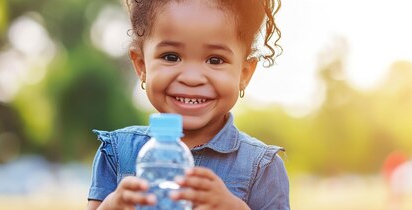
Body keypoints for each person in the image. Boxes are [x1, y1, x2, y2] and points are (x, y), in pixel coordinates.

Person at [87, 0, 289, 209]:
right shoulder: (117, 152)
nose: (192, 78)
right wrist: (112, 205)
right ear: (141, 65)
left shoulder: (262, 167)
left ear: (244, 73)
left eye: (215, 60)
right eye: (171, 56)